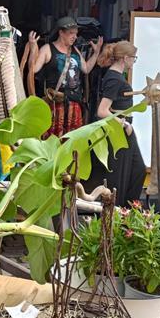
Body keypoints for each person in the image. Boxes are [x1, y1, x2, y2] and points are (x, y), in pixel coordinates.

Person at [89, 40, 146, 207]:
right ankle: (117, 212)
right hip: (118, 132)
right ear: (125, 58)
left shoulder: (116, 77)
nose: (133, 62)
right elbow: (102, 110)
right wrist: (123, 124)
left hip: (123, 131)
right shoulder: (114, 79)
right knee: (120, 175)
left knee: (138, 171)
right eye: (133, 58)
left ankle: (127, 210)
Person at [28, 16, 102, 136]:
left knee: (72, 142)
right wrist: (32, 49)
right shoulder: (47, 49)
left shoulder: (75, 50)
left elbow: (86, 69)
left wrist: (96, 52)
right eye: (71, 33)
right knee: (53, 139)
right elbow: (34, 69)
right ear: (61, 33)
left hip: (74, 103)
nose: (75, 37)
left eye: (76, 33)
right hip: (56, 103)